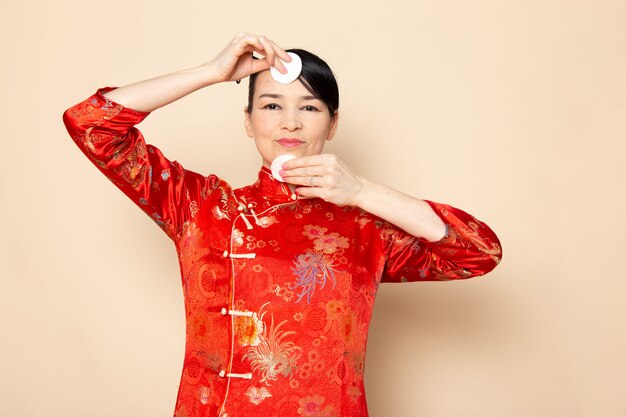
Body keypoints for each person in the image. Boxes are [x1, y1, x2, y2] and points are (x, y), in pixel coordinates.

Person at [63, 32, 502, 417]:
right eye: (271, 105)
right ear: (248, 119)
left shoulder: (366, 228)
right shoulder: (203, 209)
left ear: (333, 124)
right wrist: (211, 72)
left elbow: (480, 252)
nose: (290, 122)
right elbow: (90, 123)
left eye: (309, 107)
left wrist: (362, 191)